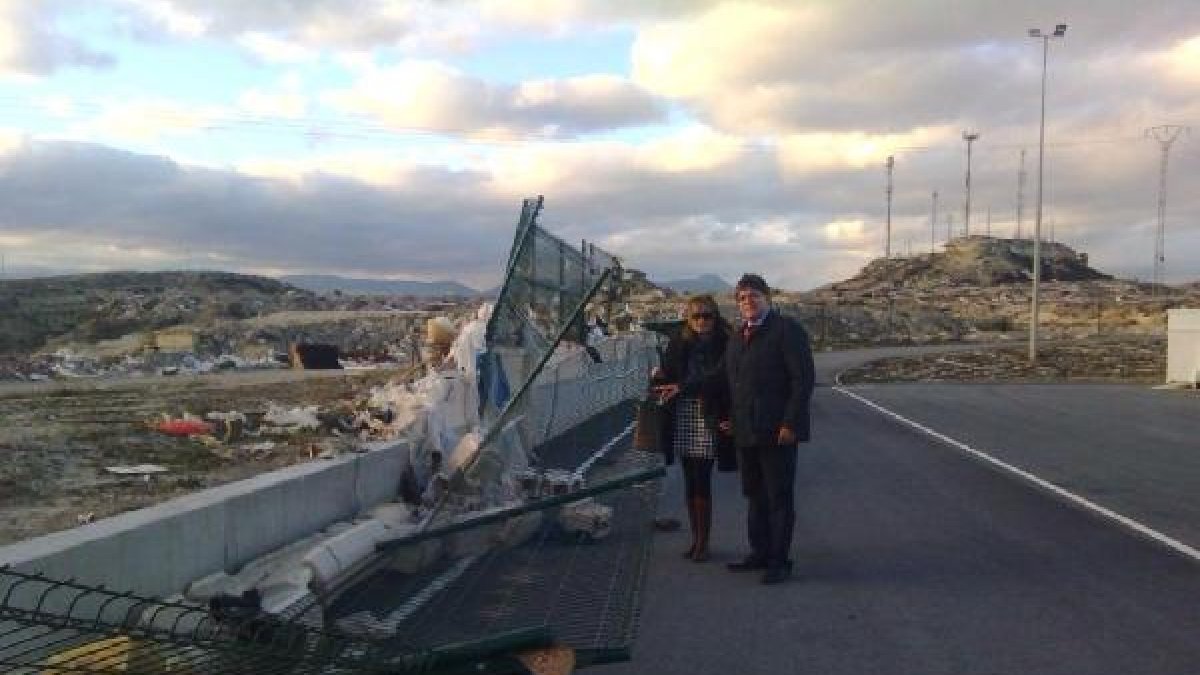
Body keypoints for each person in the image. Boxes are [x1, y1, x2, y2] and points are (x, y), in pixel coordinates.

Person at [722, 273, 814, 584]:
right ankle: (759, 552)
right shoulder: (738, 336)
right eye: (743, 297)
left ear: (767, 298)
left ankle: (779, 560)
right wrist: (679, 384)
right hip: (747, 430)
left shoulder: (787, 331)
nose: (748, 301)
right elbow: (724, 379)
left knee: (778, 496)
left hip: (777, 431)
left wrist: (789, 422)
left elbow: (803, 381)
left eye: (754, 296)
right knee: (754, 494)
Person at [651, 294, 735, 562]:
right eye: (696, 316)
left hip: (710, 413)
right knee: (689, 475)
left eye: (707, 315)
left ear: (715, 316)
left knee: (703, 477)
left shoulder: (726, 343)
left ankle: (703, 542)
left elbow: (723, 379)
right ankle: (695, 539)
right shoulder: (678, 342)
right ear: (688, 318)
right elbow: (668, 374)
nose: (701, 321)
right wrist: (658, 377)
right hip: (683, 412)